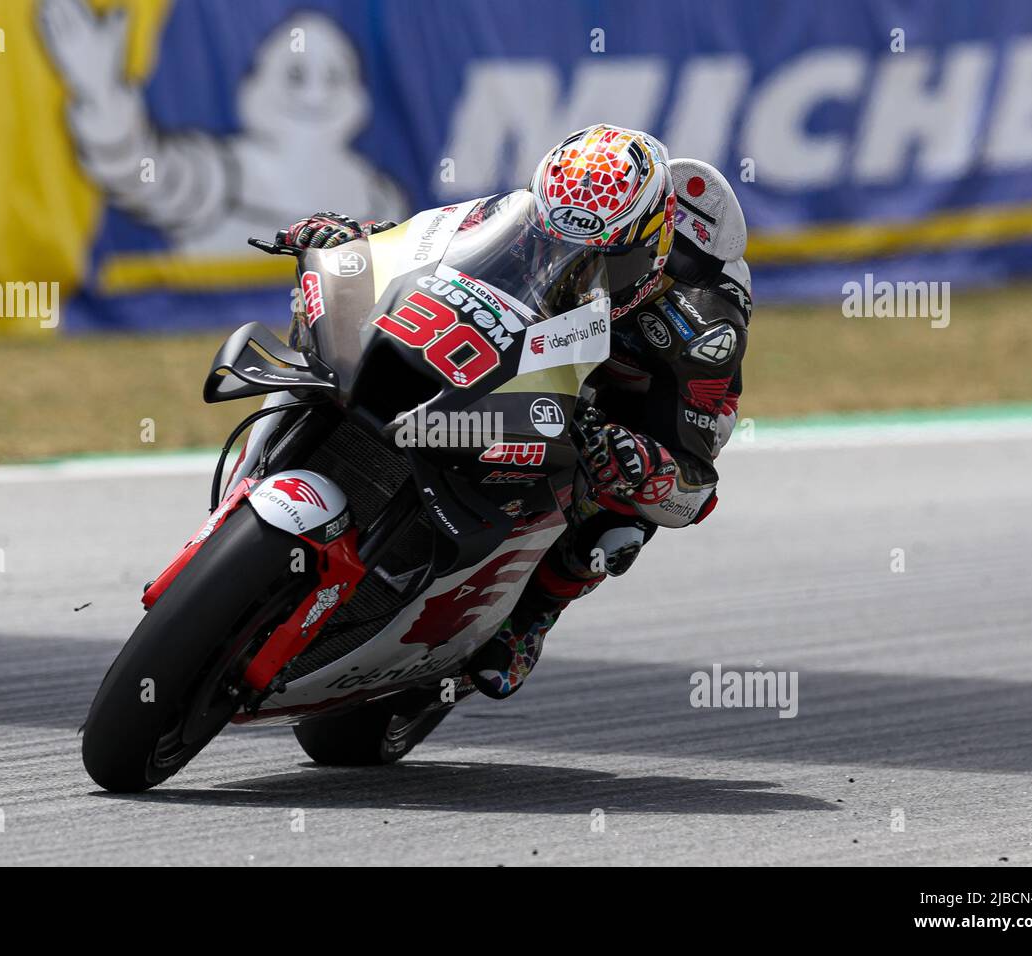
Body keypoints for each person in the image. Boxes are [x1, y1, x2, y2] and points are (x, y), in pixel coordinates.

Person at [275, 125, 752, 699]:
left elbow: (694, 486)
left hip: (625, 400)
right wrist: (358, 239)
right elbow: (437, 240)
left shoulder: (702, 326)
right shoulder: (544, 214)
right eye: (560, 246)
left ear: (652, 247)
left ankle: (532, 617)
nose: (578, 270)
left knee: (617, 519)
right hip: (528, 345)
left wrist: (643, 462)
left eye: (603, 262)